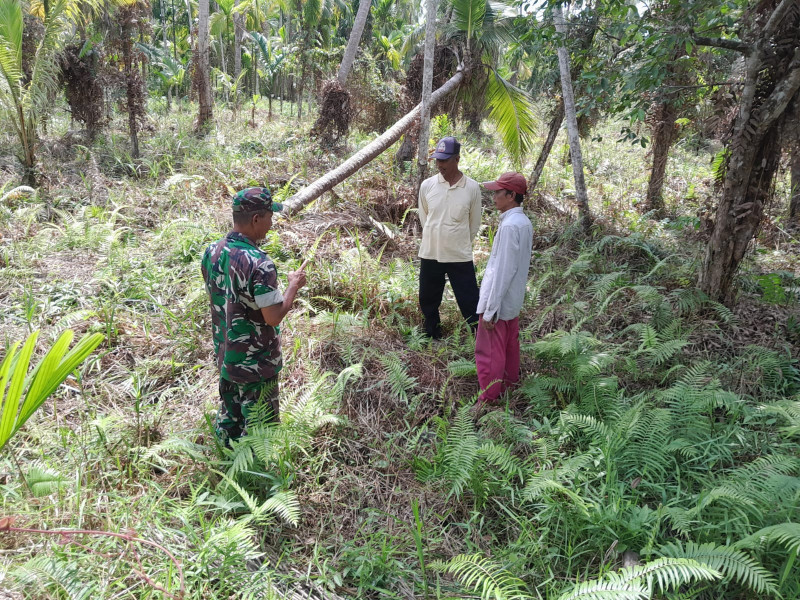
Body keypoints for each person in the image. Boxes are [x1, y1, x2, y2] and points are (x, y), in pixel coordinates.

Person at [201, 187, 307, 445]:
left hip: (226, 355)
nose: (272, 223)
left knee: (229, 421)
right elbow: (273, 317)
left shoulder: (212, 251)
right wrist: (293, 285)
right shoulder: (260, 263)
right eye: (270, 216)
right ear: (256, 219)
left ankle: (225, 470)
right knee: (262, 434)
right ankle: (257, 480)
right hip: (256, 362)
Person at [474, 172, 533, 407]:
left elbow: (503, 270)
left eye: (498, 192)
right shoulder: (523, 222)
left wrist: (490, 309)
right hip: (513, 300)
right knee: (509, 348)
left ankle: (488, 399)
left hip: (499, 301)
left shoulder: (510, 227)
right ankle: (509, 387)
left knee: (489, 352)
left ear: (511, 195)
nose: (494, 197)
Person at [418, 136, 482, 339]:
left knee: (469, 299)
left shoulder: (471, 188)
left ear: (457, 159)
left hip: (459, 254)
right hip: (431, 252)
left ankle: (479, 337)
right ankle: (432, 334)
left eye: (444, 160)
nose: (439, 164)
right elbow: (424, 217)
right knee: (428, 297)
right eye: (437, 159)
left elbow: (474, 223)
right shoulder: (427, 186)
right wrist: (437, 235)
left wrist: (458, 239)